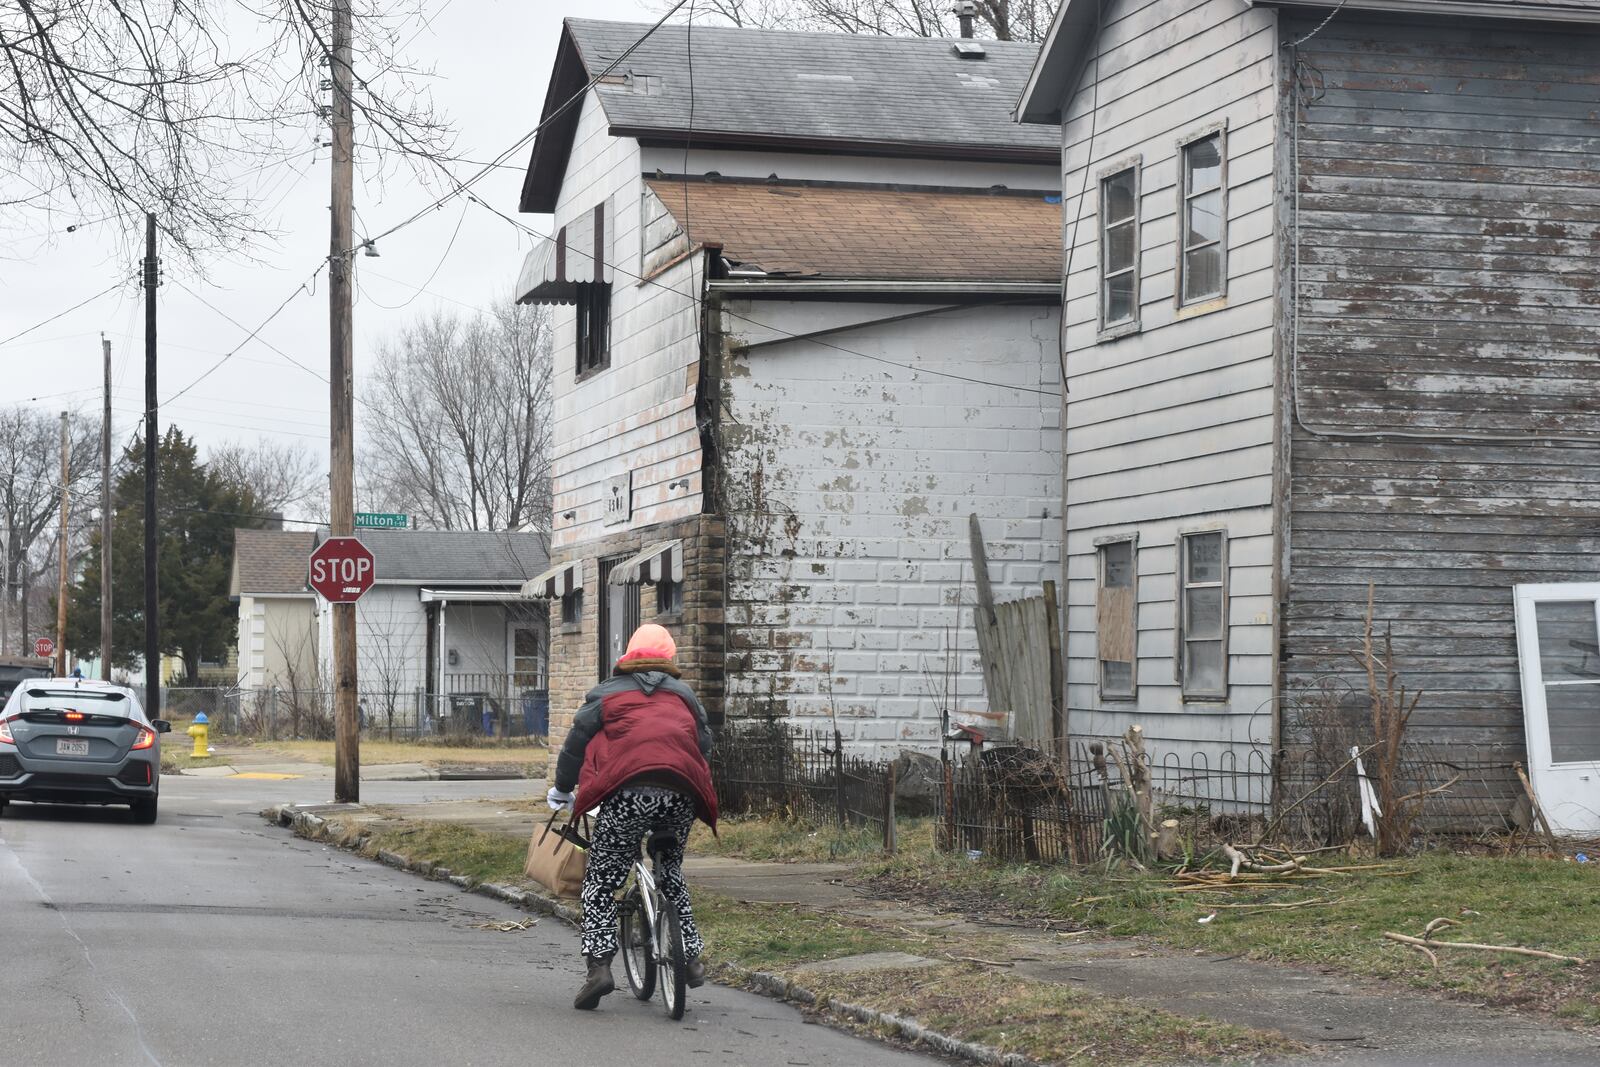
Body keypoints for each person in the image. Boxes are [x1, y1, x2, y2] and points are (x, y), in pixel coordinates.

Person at [548, 623, 717, 1011]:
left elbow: (576, 743)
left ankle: (600, 969)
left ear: (628, 655)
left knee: (601, 882)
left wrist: (562, 789)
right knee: (671, 873)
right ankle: (690, 958)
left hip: (628, 795)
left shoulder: (607, 693)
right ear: (670, 658)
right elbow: (704, 745)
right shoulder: (686, 696)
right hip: (679, 794)